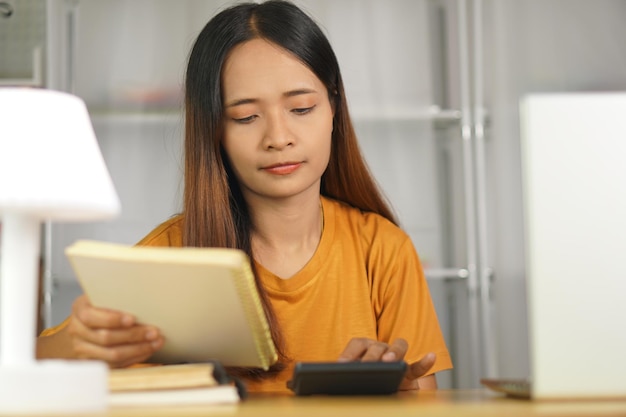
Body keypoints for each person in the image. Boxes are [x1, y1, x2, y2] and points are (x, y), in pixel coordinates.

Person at [37, 0, 453, 393]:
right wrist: (82, 340)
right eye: (246, 117)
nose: (278, 138)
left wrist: (396, 391)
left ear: (333, 109)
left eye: (302, 108)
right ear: (214, 131)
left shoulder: (383, 250)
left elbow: (425, 395)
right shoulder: (171, 256)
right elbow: (31, 363)